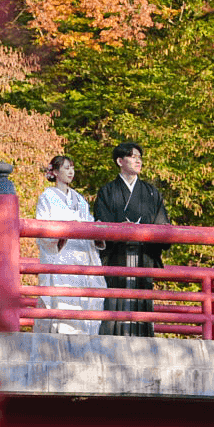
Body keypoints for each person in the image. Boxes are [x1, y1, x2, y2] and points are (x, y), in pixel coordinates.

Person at [92, 142, 169, 336]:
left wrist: (150, 234)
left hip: (144, 254)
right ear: (120, 161)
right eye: (133, 156)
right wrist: (122, 231)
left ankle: (143, 341)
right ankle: (111, 342)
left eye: (140, 157)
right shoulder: (107, 191)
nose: (138, 160)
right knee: (114, 300)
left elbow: (162, 225)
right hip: (117, 254)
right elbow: (102, 222)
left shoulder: (151, 192)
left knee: (142, 301)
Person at [34, 156, 103, 334]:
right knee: (59, 302)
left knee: (82, 304)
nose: (71, 172)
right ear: (55, 172)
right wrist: (60, 234)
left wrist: (96, 233)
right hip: (60, 255)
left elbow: (89, 222)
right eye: (66, 168)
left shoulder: (80, 199)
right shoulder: (47, 196)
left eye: (72, 168)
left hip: (81, 256)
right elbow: (41, 227)